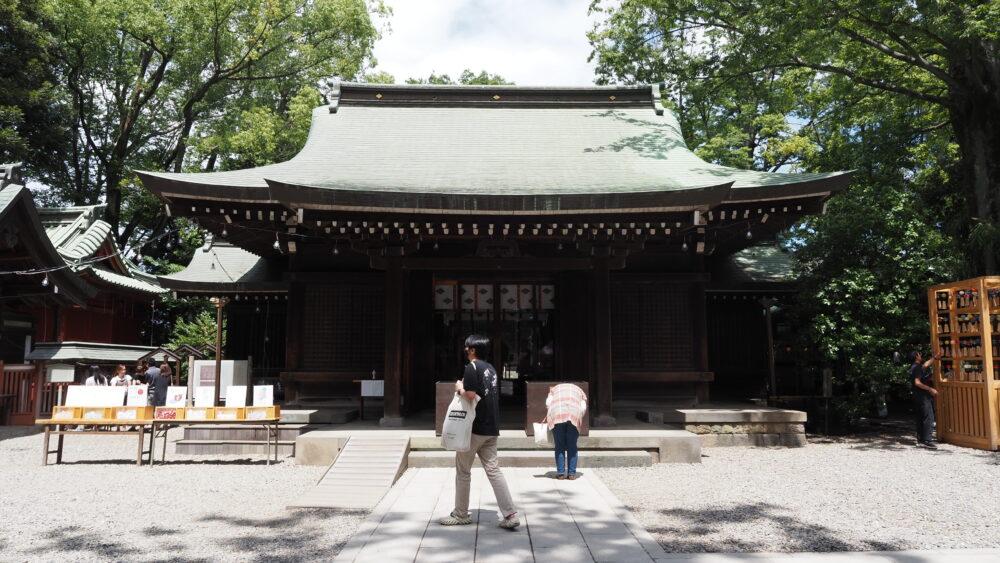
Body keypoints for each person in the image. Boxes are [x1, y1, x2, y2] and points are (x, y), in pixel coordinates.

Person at [439, 334, 520, 529]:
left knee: (463, 471)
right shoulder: (491, 369)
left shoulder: (471, 368)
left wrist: (459, 388)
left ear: (472, 350)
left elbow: (470, 395)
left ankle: (460, 514)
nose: (465, 350)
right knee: (494, 471)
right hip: (491, 427)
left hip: (474, 428)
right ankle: (510, 514)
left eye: (467, 347)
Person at [544, 383, 587, 480]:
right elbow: (583, 407)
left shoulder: (554, 390)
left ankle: (560, 474)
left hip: (557, 415)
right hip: (574, 415)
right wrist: (578, 416)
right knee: (572, 445)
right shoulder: (579, 391)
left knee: (559, 445)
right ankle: (571, 474)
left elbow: (548, 403)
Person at [910, 349, 941, 448]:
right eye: (919, 354)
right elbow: (917, 382)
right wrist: (931, 389)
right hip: (923, 395)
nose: (921, 355)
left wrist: (935, 358)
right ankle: (926, 440)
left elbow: (926, 365)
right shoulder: (917, 367)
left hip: (916, 395)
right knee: (928, 417)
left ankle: (920, 439)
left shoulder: (914, 367)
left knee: (920, 417)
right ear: (916, 356)